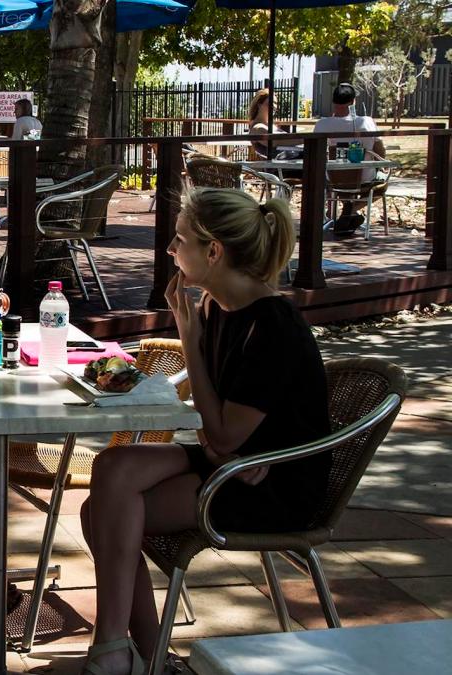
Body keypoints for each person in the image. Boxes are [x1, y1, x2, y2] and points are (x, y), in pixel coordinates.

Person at [77, 187, 330, 675]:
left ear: (213, 251)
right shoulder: (217, 307)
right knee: (112, 466)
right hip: (233, 462)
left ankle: (123, 652)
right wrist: (220, 445)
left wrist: (188, 338)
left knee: (103, 514)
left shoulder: (270, 326)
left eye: (180, 240)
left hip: (275, 483)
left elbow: (223, 432)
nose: (172, 250)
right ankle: (140, 656)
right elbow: (215, 427)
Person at [312, 82, 387, 235]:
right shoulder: (365, 122)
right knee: (383, 183)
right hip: (364, 177)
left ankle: (345, 210)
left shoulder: (322, 124)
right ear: (353, 102)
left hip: (333, 177)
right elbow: (380, 149)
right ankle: (350, 209)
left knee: (341, 181)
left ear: (333, 102)